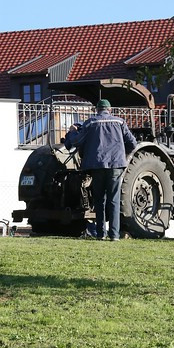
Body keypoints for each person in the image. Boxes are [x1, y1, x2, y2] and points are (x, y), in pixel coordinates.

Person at [64, 98, 137, 241]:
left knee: (99, 200)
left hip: (96, 166)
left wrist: (72, 132)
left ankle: (100, 234)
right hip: (116, 165)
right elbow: (133, 143)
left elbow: (77, 142)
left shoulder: (91, 123)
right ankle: (114, 235)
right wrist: (122, 153)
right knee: (114, 200)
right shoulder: (120, 122)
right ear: (109, 110)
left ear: (97, 110)